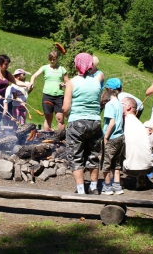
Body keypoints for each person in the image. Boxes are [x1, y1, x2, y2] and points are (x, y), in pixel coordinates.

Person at [62, 53, 102, 195]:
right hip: (95, 122)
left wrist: (66, 116)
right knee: (93, 154)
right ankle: (93, 187)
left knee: (75, 155)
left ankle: (80, 190)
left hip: (77, 122)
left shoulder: (71, 82)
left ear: (76, 65)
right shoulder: (97, 81)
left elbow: (66, 108)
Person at [0, 55, 31, 140]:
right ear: (0, 63)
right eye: (6, 64)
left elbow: (16, 81)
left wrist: (26, 84)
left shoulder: (6, 73)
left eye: (8, 64)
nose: (7, 66)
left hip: (1, 99)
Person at [121, 97, 153, 190]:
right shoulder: (140, 124)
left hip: (130, 169)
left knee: (112, 148)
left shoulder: (123, 121)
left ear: (128, 107)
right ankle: (141, 178)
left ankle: (115, 182)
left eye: (121, 104)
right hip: (148, 168)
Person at [30, 51, 69, 131]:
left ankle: (60, 139)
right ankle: (46, 138)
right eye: (50, 59)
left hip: (59, 96)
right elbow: (34, 75)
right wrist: (32, 82)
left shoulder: (62, 69)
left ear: (57, 59)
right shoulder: (45, 68)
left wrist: (64, 85)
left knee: (60, 118)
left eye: (54, 59)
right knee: (48, 118)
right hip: (47, 95)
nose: (52, 61)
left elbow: (68, 82)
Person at [101, 78, 125, 195]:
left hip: (111, 137)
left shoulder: (110, 104)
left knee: (106, 163)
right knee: (116, 163)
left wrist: (106, 136)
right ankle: (117, 186)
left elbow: (112, 122)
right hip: (120, 136)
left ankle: (107, 186)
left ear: (109, 90)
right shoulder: (120, 104)